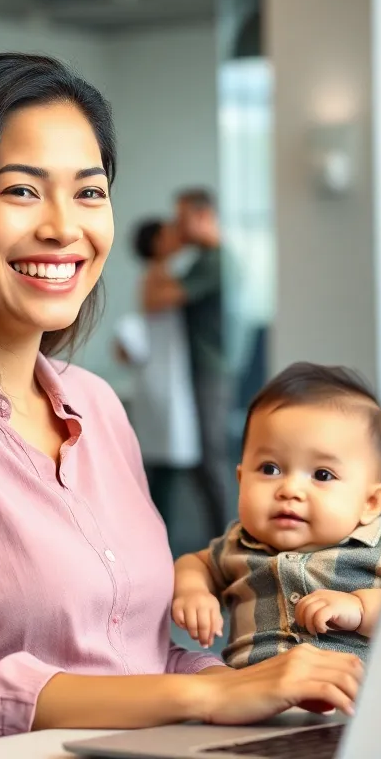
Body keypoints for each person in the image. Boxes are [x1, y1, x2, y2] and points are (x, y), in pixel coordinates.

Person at [0, 54, 364, 756]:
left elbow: (140, 662)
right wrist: (207, 695)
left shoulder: (96, 405)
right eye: (21, 192)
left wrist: (277, 688)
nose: (65, 228)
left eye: (89, 193)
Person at [171, 362, 381, 668]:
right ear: (241, 480)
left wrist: (361, 608)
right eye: (270, 469)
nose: (290, 489)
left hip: (352, 703)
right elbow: (194, 563)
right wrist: (193, 591)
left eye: (322, 474)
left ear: (371, 502)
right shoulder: (239, 544)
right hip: (253, 700)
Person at [143, 189, 231, 536]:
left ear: (203, 216)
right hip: (196, 369)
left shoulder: (212, 260)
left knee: (210, 459)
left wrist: (161, 258)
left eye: (182, 220)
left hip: (208, 371)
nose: (177, 228)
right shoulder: (201, 260)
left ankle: (224, 542)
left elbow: (159, 298)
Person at [114, 218, 200, 528]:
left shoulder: (165, 274)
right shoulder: (156, 278)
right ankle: (159, 533)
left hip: (168, 376)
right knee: (162, 465)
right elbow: (155, 304)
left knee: (167, 463)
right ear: (156, 243)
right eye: (168, 233)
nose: (176, 235)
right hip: (161, 379)